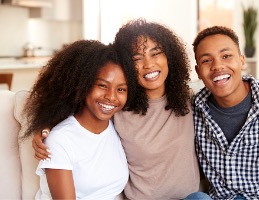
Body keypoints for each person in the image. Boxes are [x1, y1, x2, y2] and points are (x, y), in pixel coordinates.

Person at [31, 19, 212, 200]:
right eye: (137, 58)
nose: (148, 64)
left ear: (169, 56)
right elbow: (80, 110)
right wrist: (46, 127)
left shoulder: (190, 99)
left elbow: (228, 98)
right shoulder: (121, 108)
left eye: (155, 53)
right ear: (127, 65)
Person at [192, 26, 259, 199]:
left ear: (242, 61)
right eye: (206, 60)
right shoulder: (193, 109)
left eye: (226, 56)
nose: (217, 66)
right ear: (198, 72)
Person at [22, 40, 137, 199]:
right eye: (102, 85)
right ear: (82, 84)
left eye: (121, 89)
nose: (111, 96)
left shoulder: (119, 127)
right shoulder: (59, 140)